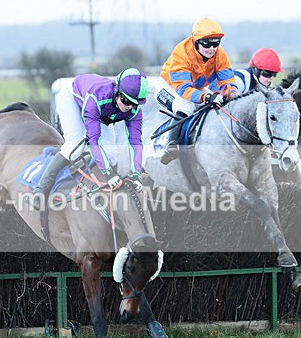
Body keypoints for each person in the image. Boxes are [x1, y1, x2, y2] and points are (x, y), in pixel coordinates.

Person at [29, 68, 149, 209]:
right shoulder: (98, 97)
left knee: (111, 156)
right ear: (117, 91)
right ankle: (40, 190)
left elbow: (135, 142)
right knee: (74, 148)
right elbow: (94, 141)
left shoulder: (134, 111)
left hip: (103, 110)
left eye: (134, 103)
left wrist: (136, 174)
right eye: (125, 100)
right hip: (72, 98)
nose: (129, 106)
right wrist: (109, 174)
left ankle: (107, 192)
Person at [154, 18, 239, 164]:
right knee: (186, 106)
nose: (212, 48)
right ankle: (171, 144)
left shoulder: (220, 54)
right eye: (207, 43)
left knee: (215, 105)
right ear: (196, 41)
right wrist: (206, 97)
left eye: (216, 43)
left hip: (195, 86)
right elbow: (183, 89)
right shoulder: (181, 53)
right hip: (170, 86)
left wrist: (231, 93)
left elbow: (228, 82)